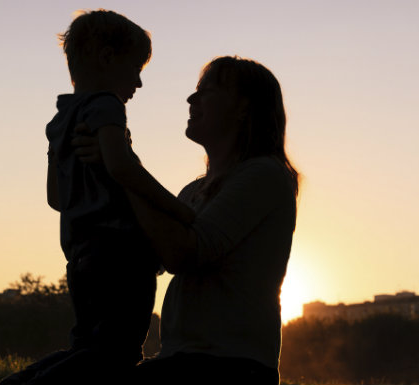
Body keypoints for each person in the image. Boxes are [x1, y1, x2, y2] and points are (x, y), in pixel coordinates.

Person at [73, 56, 299, 385]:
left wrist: (124, 168)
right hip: (182, 360)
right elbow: (153, 252)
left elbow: (185, 253)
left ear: (243, 109)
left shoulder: (264, 175)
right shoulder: (193, 191)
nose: (192, 100)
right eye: (195, 91)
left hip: (229, 368)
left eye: (207, 91)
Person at [0, 9, 194, 385]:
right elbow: (122, 168)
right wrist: (179, 210)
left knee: (87, 347)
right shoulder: (107, 105)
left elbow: (57, 197)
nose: (138, 83)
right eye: (135, 68)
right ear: (107, 58)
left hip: (81, 256)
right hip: (122, 254)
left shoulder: (60, 119)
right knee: (117, 357)